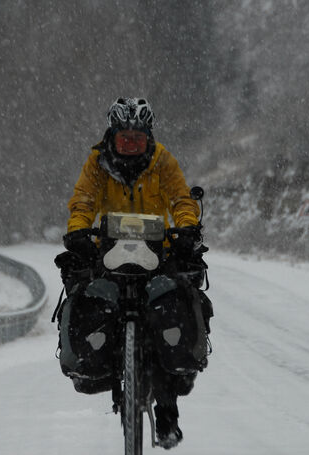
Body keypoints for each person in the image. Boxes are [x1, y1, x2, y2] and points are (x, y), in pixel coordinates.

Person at [54, 98, 211, 450]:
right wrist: (78, 232)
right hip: (109, 255)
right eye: (124, 139)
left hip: (159, 254)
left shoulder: (163, 160)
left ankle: (167, 411)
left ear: (148, 137)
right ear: (112, 134)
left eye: (137, 140)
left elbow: (182, 200)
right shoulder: (96, 164)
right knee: (95, 302)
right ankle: (109, 366)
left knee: (168, 305)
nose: (130, 145)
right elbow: (82, 202)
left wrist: (187, 227)